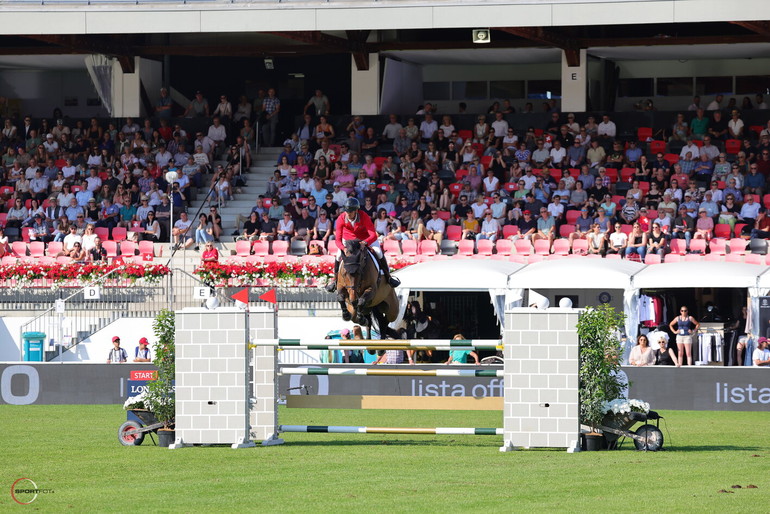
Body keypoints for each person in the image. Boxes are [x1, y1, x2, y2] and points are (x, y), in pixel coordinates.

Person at [325, 198, 400, 292]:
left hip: (365, 238)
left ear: (356, 210)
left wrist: (365, 242)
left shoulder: (364, 216)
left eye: (350, 211)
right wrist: (342, 248)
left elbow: (373, 234)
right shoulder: (341, 218)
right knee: (338, 255)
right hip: (348, 240)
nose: (348, 214)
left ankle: (388, 277)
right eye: (346, 211)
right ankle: (335, 280)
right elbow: (338, 239)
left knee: (378, 252)